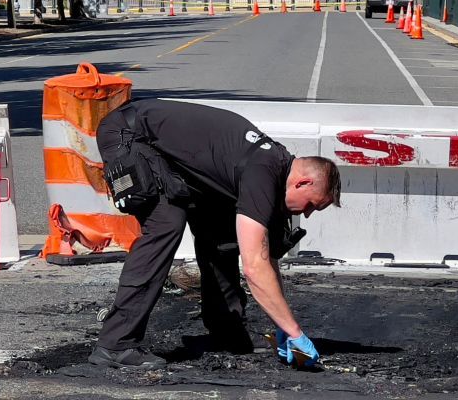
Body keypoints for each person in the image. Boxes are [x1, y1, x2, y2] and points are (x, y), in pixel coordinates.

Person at [88, 99, 341, 371]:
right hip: (130, 135)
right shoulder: (263, 172)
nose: (308, 213)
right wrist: (295, 333)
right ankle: (116, 343)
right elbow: (255, 267)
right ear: (303, 182)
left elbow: (267, 258)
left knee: (221, 232)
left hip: (167, 152)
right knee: (166, 224)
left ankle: (226, 330)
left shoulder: (274, 169)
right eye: (313, 204)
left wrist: (282, 323)